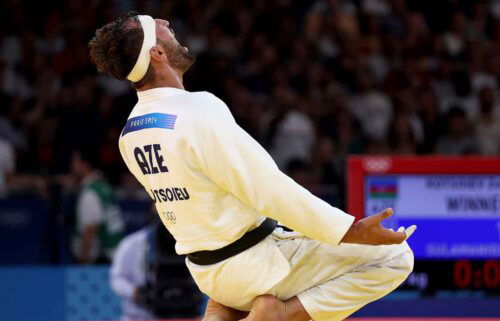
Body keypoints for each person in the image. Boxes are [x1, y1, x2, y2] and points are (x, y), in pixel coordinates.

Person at [88, 12, 416, 320]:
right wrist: (347, 230)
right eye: (157, 25)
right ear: (157, 53)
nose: (165, 20)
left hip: (208, 274)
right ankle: (279, 315)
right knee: (394, 259)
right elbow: (267, 189)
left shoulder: (129, 133)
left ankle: (227, 310)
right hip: (255, 262)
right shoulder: (197, 109)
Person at [71, 146, 125, 263]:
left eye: (75, 162)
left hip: (102, 261)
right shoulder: (104, 186)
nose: (72, 167)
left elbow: (90, 231)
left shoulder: (90, 193)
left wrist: (82, 261)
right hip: (114, 256)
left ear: (85, 164)